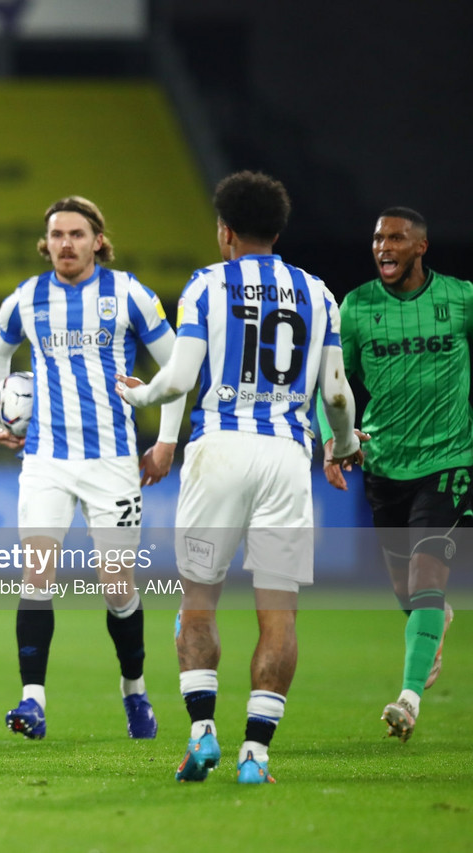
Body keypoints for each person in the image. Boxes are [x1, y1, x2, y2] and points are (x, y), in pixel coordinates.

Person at [117, 170, 364, 783]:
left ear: (224, 231)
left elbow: (178, 380)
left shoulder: (207, 285)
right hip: (286, 456)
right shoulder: (319, 293)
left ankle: (203, 736)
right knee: (279, 614)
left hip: (220, 450)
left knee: (198, 601)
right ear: (277, 230)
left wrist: (141, 391)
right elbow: (335, 391)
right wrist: (343, 444)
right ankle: (256, 754)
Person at [0, 196, 183, 743]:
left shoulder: (129, 294)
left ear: (98, 240)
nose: (66, 243)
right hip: (45, 458)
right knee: (36, 574)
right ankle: (32, 701)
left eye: (77, 233)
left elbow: (177, 367)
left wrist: (165, 442)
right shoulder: (27, 299)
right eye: (56, 234)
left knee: (117, 584)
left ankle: (135, 690)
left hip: (113, 461)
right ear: (45, 244)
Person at [319, 207, 467, 742]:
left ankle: (408, 698)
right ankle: (434, 621)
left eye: (397, 238)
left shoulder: (460, 300)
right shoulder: (356, 308)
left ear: (421, 247)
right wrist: (336, 443)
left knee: (428, 576)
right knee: (409, 593)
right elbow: (331, 380)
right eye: (378, 237)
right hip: (383, 465)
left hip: (450, 461)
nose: (384, 246)